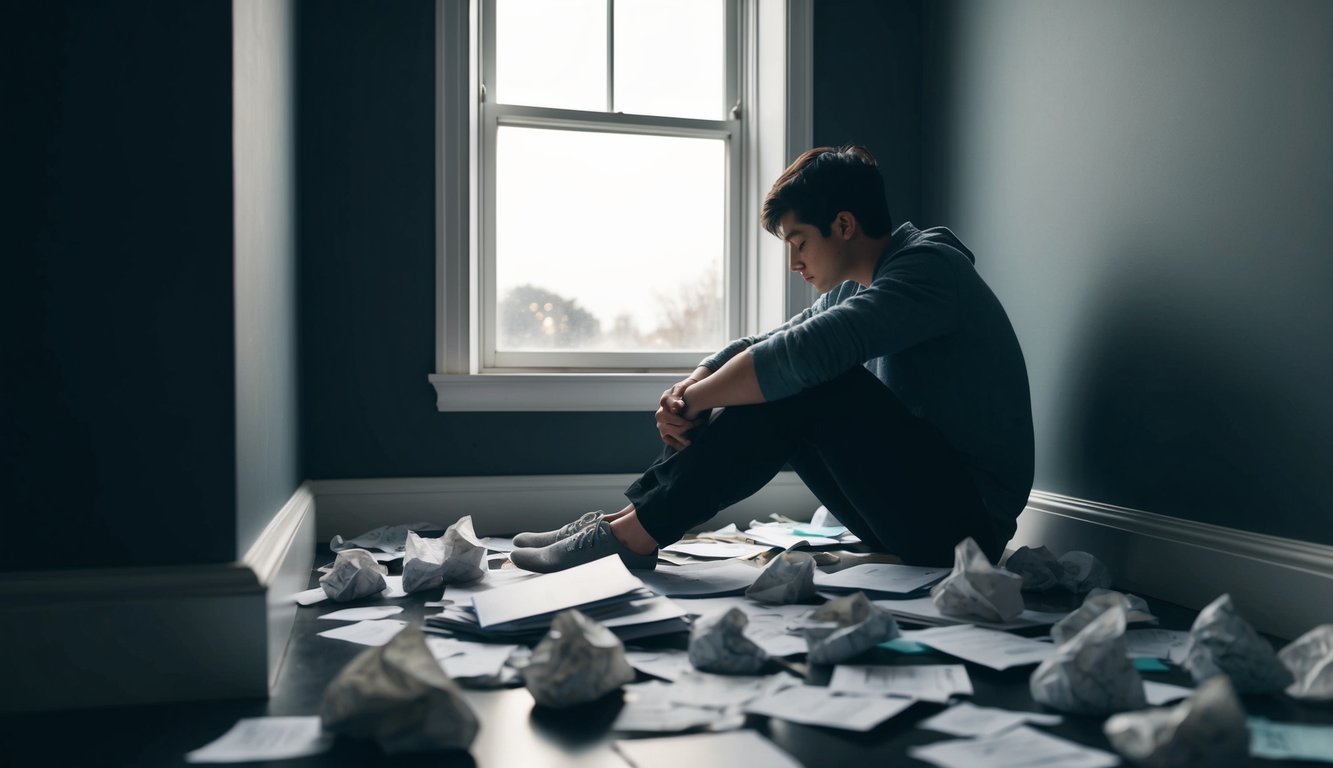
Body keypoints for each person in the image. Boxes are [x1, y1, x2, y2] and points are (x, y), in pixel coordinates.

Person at [510, 145, 1034, 573]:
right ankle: (627, 520)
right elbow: (763, 345)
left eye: (799, 241)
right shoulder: (857, 289)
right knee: (773, 374)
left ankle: (633, 535)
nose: (793, 263)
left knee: (810, 380)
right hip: (912, 513)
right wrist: (689, 388)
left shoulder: (929, 273)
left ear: (845, 225)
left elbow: (800, 355)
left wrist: (699, 398)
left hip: (966, 533)